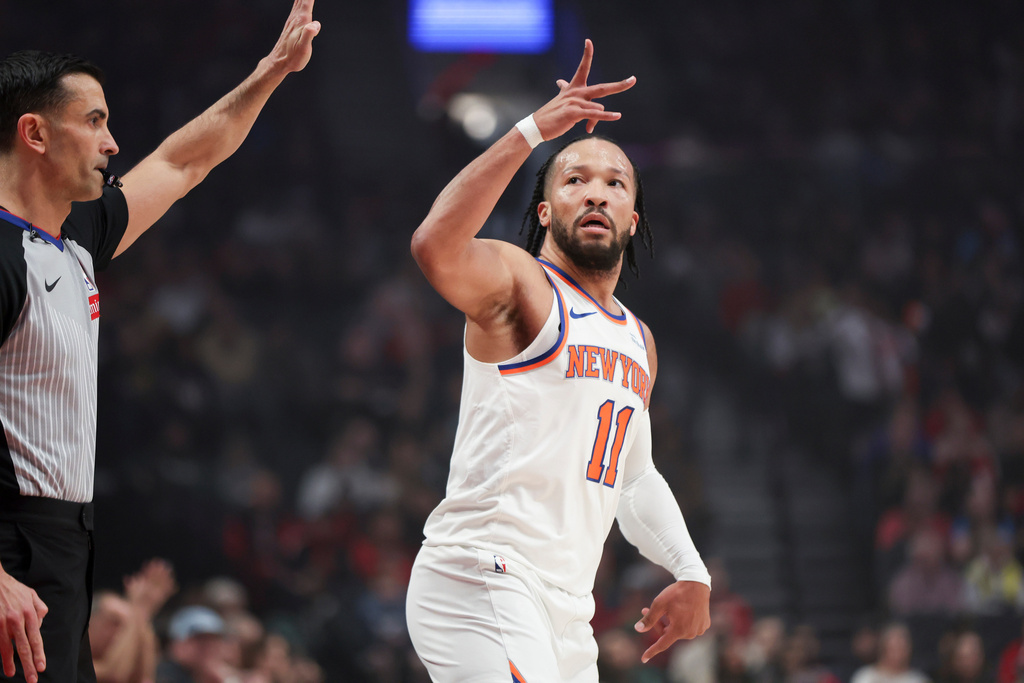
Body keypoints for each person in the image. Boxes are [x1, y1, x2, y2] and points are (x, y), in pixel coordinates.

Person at [0, 2, 319, 681]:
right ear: (33, 133)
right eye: (93, 122)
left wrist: (269, 73)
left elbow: (186, 160)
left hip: (63, 546)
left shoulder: (76, 237)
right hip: (12, 553)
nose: (113, 143)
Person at [405, 40, 711, 682]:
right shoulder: (520, 281)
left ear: (633, 217)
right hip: (482, 574)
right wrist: (530, 133)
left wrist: (691, 571)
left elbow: (633, 478)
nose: (595, 194)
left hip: (568, 613)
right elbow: (435, 245)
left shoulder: (639, 339)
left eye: (614, 184)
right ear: (544, 211)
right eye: (574, 180)